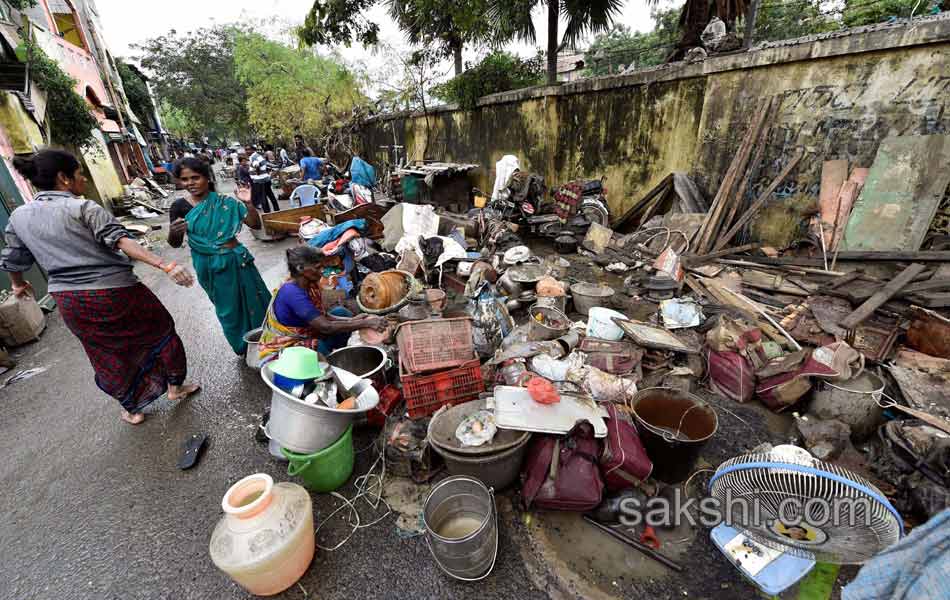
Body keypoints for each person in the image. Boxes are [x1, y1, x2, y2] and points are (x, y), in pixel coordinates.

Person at [1, 149, 199, 425]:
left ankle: (132, 408)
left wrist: (18, 284)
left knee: (104, 352)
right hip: (117, 292)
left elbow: (13, 259)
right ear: (64, 178)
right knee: (161, 332)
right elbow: (121, 241)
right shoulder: (84, 208)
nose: (83, 179)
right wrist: (164, 265)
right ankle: (175, 386)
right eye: (80, 174)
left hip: (69, 299)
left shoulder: (18, 218)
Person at [168, 157, 271, 355]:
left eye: (195, 177)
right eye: (185, 179)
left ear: (207, 177)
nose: (190, 183)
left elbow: (255, 224)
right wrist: (174, 231)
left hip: (237, 259)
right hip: (209, 266)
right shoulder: (179, 207)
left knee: (256, 299)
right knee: (228, 309)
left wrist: (248, 203)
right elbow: (174, 243)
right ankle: (243, 346)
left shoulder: (225, 203)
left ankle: (267, 340)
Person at [259, 246, 387, 363]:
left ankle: (337, 352)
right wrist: (365, 323)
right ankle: (332, 364)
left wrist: (352, 320)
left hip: (307, 331)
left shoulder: (310, 285)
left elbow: (322, 316)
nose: (322, 271)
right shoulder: (292, 293)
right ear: (301, 268)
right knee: (317, 346)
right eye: (318, 267)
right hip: (285, 346)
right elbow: (325, 326)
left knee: (342, 313)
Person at [247, 146, 280, 213]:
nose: (247, 151)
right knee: (270, 195)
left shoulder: (253, 157)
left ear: (253, 150)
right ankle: (277, 209)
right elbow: (265, 163)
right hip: (265, 179)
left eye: (248, 150)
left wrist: (257, 172)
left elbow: (256, 165)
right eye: (246, 150)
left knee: (263, 198)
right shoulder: (258, 155)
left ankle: (267, 212)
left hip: (259, 181)